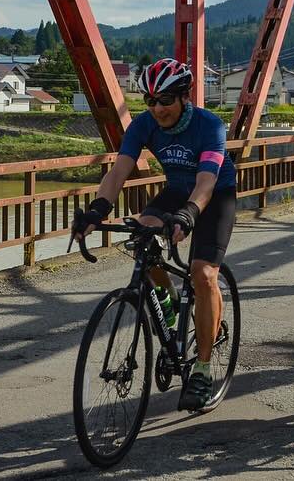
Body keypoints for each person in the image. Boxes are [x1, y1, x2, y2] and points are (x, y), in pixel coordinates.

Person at [71, 58, 236, 412]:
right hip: (177, 190)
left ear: (183, 97)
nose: (157, 108)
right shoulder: (143, 125)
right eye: (150, 101)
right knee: (140, 237)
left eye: (164, 100)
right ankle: (171, 307)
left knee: (203, 273)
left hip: (215, 195)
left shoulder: (209, 126)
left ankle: (203, 370)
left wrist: (190, 213)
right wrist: (98, 209)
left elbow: (206, 181)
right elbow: (119, 171)